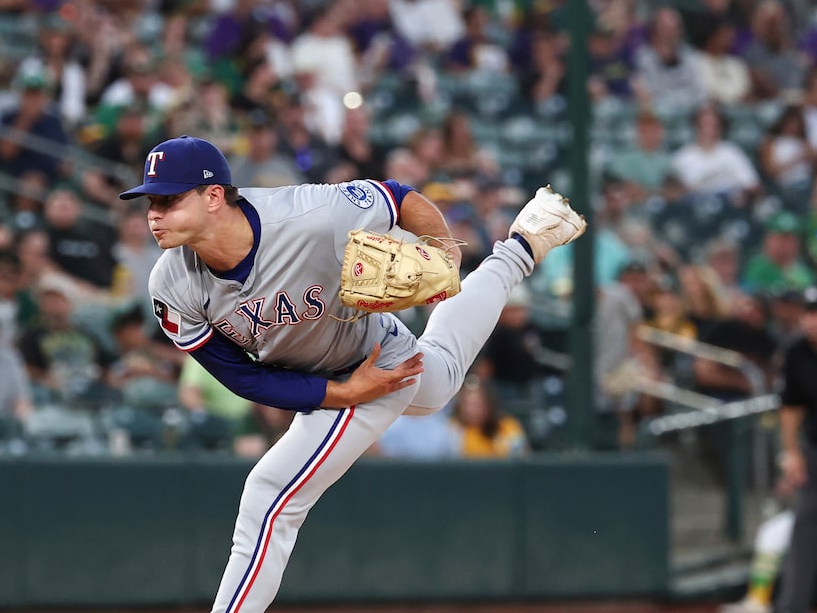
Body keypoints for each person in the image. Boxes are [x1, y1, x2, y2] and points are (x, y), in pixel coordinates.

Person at [119, 135, 585, 612]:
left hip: (373, 358)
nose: (154, 214)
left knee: (269, 496)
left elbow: (398, 198)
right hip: (336, 378)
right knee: (443, 375)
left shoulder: (309, 215)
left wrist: (445, 253)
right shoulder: (171, 284)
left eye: (169, 200)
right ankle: (522, 246)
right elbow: (242, 378)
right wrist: (337, 394)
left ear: (214, 196)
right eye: (151, 202)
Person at [775, 288, 817, 613]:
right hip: (815, 447)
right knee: (806, 522)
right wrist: (791, 452)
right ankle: (792, 605)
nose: (813, 320)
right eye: (809, 312)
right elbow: (791, 406)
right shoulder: (796, 351)